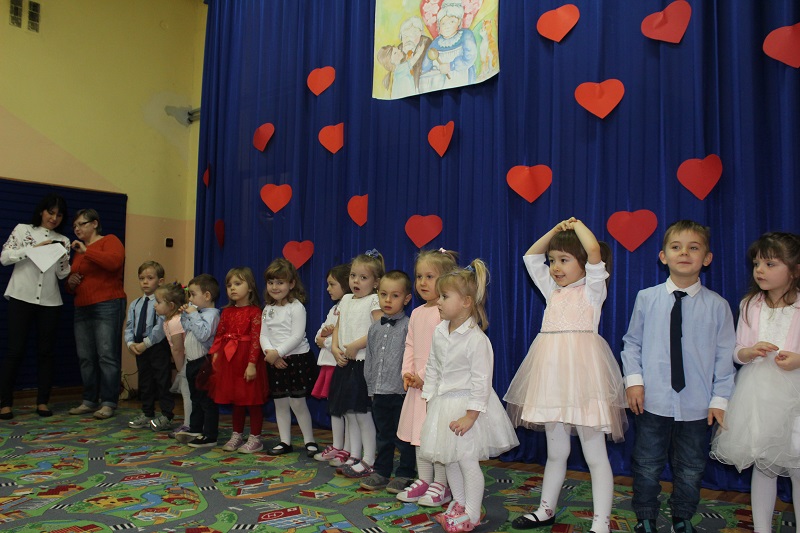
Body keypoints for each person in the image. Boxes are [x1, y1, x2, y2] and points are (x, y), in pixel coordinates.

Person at [505, 218, 626, 533]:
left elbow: (594, 250)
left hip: (585, 385)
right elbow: (531, 257)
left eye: (564, 260)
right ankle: (545, 510)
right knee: (556, 452)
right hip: (552, 382)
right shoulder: (552, 291)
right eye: (553, 261)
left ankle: (601, 523)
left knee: (595, 455)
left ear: (584, 265)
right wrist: (555, 231)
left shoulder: (593, 291)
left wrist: (577, 226)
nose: (555, 267)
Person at [621, 220, 736, 533]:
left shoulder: (718, 306)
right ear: (663, 256)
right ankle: (646, 516)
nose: (684, 253)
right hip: (652, 400)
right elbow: (632, 343)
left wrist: (719, 399)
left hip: (697, 405)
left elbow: (724, 356)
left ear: (707, 258)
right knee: (646, 463)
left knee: (691, 467)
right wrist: (634, 382)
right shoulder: (647, 298)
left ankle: (682, 516)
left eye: (693, 248)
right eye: (676, 247)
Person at [419, 259, 518, 532]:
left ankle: (473, 514)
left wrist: (471, 416)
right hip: (443, 404)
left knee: (467, 461)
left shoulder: (476, 339)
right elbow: (433, 367)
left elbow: (481, 381)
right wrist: (430, 399)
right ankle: (459, 504)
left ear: (465, 302)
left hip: (467, 408)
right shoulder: (440, 331)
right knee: (449, 458)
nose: (438, 301)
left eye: (444, 296)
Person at [710, 232, 800, 532]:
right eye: (757, 263)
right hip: (758, 395)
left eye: (770, 264)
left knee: (797, 465)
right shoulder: (750, 305)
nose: (760, 270)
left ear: (795, 270)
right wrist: (749, 352)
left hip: (794, 397)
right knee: (764, 465)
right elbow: (737, 350)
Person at [396, 249, 459, 504]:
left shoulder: (445, 313)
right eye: (419, 276)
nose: (422, 282)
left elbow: (442, 351)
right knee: (419, 435)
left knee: (436, 436)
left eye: (429, 277)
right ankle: (424, 480)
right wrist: (407, 372)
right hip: (417, 386)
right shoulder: (418, 312)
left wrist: (423, 376)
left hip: (437, 386)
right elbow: (410, 344)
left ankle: (441, 485)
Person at [1, 194, 71, 419]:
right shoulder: (23, 230)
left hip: (50, 301)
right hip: (21, 296)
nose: (54, 218)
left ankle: (43, 402)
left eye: (59, 215)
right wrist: (33, 249)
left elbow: (62, 274)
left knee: (46, 353)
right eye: (50, 212)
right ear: (42, 211)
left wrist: (63, 256)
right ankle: (5, 403)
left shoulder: (63, 240)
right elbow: (4, 258)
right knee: (15, 350)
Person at [357, 270, 416, 491]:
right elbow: (370, 359)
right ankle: (382, 471)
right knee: (384, 435)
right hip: (379, 392)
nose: (388, 300)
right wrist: (371, 388)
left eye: (395, 295)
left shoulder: (409, 326)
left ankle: (405, 473)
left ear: (406, 299)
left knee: (404, 437)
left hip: (401, 392)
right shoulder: (374, 327)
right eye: (383, 295)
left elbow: (412, 357)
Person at [66, 209, 127, 420]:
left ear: (94, 224)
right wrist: (70, 283)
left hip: (107, 304)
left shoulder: (109, 240)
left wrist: (86, 251)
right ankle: (89, 400)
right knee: (85, 357)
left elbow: (114, 262)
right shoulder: (79, 251)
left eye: (81, 224)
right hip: (82, 306)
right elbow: (73, 280)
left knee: (106, 355)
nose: (77, 229)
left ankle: (108, 402)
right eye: (75, 226)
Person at [327, 250, 383, 472]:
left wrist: (356, 345)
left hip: (362, 363)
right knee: (349, 412)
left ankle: (369, 459)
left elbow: (378, 329)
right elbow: (338, 327)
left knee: (362, 413)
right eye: (353, 276)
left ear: (376, 282)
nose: (356, 281)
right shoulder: (346, 299)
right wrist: (335, 348)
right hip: (345, 362)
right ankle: (354, 454)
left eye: (363, 277)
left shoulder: (373, 300)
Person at [260, 258, 318, 457]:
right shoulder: (268, 309)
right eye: (271, 282)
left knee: (298, 403)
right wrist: (270, 353)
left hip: (296, 359)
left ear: (291, 284)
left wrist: (277, 353)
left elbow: (297, 336)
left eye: (280, 282)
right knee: (280, 403)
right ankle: (285, 441)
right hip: (274, 360)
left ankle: (309, 440)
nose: (275, 287)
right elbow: (263, 335)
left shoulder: (296, 307)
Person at [207, 267, 268, 453]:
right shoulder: (226, 312)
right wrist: (215, 354)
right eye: (229, 285)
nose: (232, 288)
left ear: (250, 287)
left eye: (237, 283)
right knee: (236, 399)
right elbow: (220, 335)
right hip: (230, 360)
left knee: (252, 400)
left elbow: (256, 340)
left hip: (248, 361)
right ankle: (237, 434)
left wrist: (251, 364)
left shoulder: (255, 312)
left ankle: (255, 438)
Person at [124, 261, 171, 431]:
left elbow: (160, 327)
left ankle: (166, 414)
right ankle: (147, 412)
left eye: (150, 278)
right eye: (141, 278)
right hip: (140, 347)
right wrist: (130, 343)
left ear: (160, 281)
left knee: (162, 380)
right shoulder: (135, 304)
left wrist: (146, 344)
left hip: (157, 346)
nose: (145, 282)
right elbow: (129, 326)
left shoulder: (162, 304)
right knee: (145, 381)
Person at [312, 263, 352, 461]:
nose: (328, 289)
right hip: (329, 364)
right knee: (334, 408)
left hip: (341, 364)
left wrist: (326, 341)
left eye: (332, 284)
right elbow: (318, 336)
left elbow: (343, 339)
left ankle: (348, 447)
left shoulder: (349, 308)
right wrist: (324, 336)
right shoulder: (334, 308)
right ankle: (337, 445)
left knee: (347, 410)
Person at [176, 274, 221, 448]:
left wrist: (194, 314)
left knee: (207, 401)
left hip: (204, 362)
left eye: (193, 295)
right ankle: (195, 429)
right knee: (195, 398)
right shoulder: (199, 313)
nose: (190, 299)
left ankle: (210, 435)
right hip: (192, 362)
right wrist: (185, 316)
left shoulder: (212, 315)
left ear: (207, 296)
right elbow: (188, 328)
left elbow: (203, 334)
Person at [153, 281, 189, 432]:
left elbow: (178, 349)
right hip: (185, 362)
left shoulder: (175, 322)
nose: (155, 305)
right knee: (187, 394)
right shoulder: (169, 321)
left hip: (188, 362)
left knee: (188, 395)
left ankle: (189, 424)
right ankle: (189, 423)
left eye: (159, 302)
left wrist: (181, 371)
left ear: (171, 306)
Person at [419, 0, 478, 93]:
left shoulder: (466, 35)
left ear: (459, 22)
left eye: (452, 22)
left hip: (462, 80)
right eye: (443, 23)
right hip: (441, 85)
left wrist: (451, 66)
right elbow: (426, 65)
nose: (447, 26)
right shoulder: (436, 42)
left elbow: (470, 57)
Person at [398, 16, 432, 91]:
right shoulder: (399, 49)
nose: (408, 39)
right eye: (405, 36)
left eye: (412, 35)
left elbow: (423, 66)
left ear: (420, 34)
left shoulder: (426, 44)